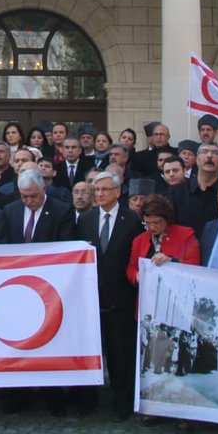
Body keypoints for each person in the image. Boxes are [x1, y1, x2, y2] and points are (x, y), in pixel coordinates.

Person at [77, 172, 140, 420]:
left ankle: (122, 404)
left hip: (121, 298)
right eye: (97, 190)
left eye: (105, 189)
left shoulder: (132, 220)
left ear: (117, 192)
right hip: (91, 298)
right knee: (89, 353)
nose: (100, 194)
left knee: (120, 355)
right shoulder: (86, 219)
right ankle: (87, 402)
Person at [126, 195, 200, 284]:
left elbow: (195, 268)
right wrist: (137, 276)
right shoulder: (139, 240)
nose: (152, 227)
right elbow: (131, 269)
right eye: (148, 223)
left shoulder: (186, 235)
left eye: (157, 222)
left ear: (166, 218)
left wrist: (171, 261)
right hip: (147, 293)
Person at [2, 170, 74, 244]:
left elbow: (65, 245)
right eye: (24, 196)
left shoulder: (62, 211)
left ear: (44, 189)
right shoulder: (10, 211)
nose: (29, 201)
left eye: (34, 196)